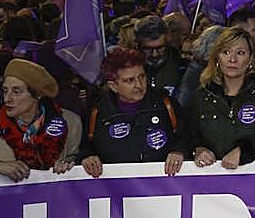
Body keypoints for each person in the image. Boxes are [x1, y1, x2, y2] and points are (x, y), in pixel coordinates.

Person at [189, 27, 255, 167]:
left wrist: (246, 151)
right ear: (217, 57)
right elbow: (191, 137)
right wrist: (198, 149)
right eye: (226, 52)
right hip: (213, 180)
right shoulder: (203, 95)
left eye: (240, 53)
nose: (232, 59)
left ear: (250, 58)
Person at [0, 59, 82, 180]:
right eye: (5, 91)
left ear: (37, 95)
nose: (7, 99)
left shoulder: (70, 122)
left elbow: (79, 160)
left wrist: (67, 166)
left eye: (16, 91)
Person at [79, 48, 188, 177]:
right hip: (117, 188)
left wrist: (179, 151)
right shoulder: (97, 111)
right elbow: (86, 146)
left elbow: (186, 136)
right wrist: (88, 157)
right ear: (113, 86)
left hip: (164, 186)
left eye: (142, 77)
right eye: (129, 80)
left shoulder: (165, 103)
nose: (139, 85)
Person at [135, 15, 186, 98]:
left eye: (160, 48)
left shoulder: (181, 64)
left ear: (167, 41)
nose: (154, 54)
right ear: (138, 45)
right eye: (148, 49)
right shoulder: (128, 67)